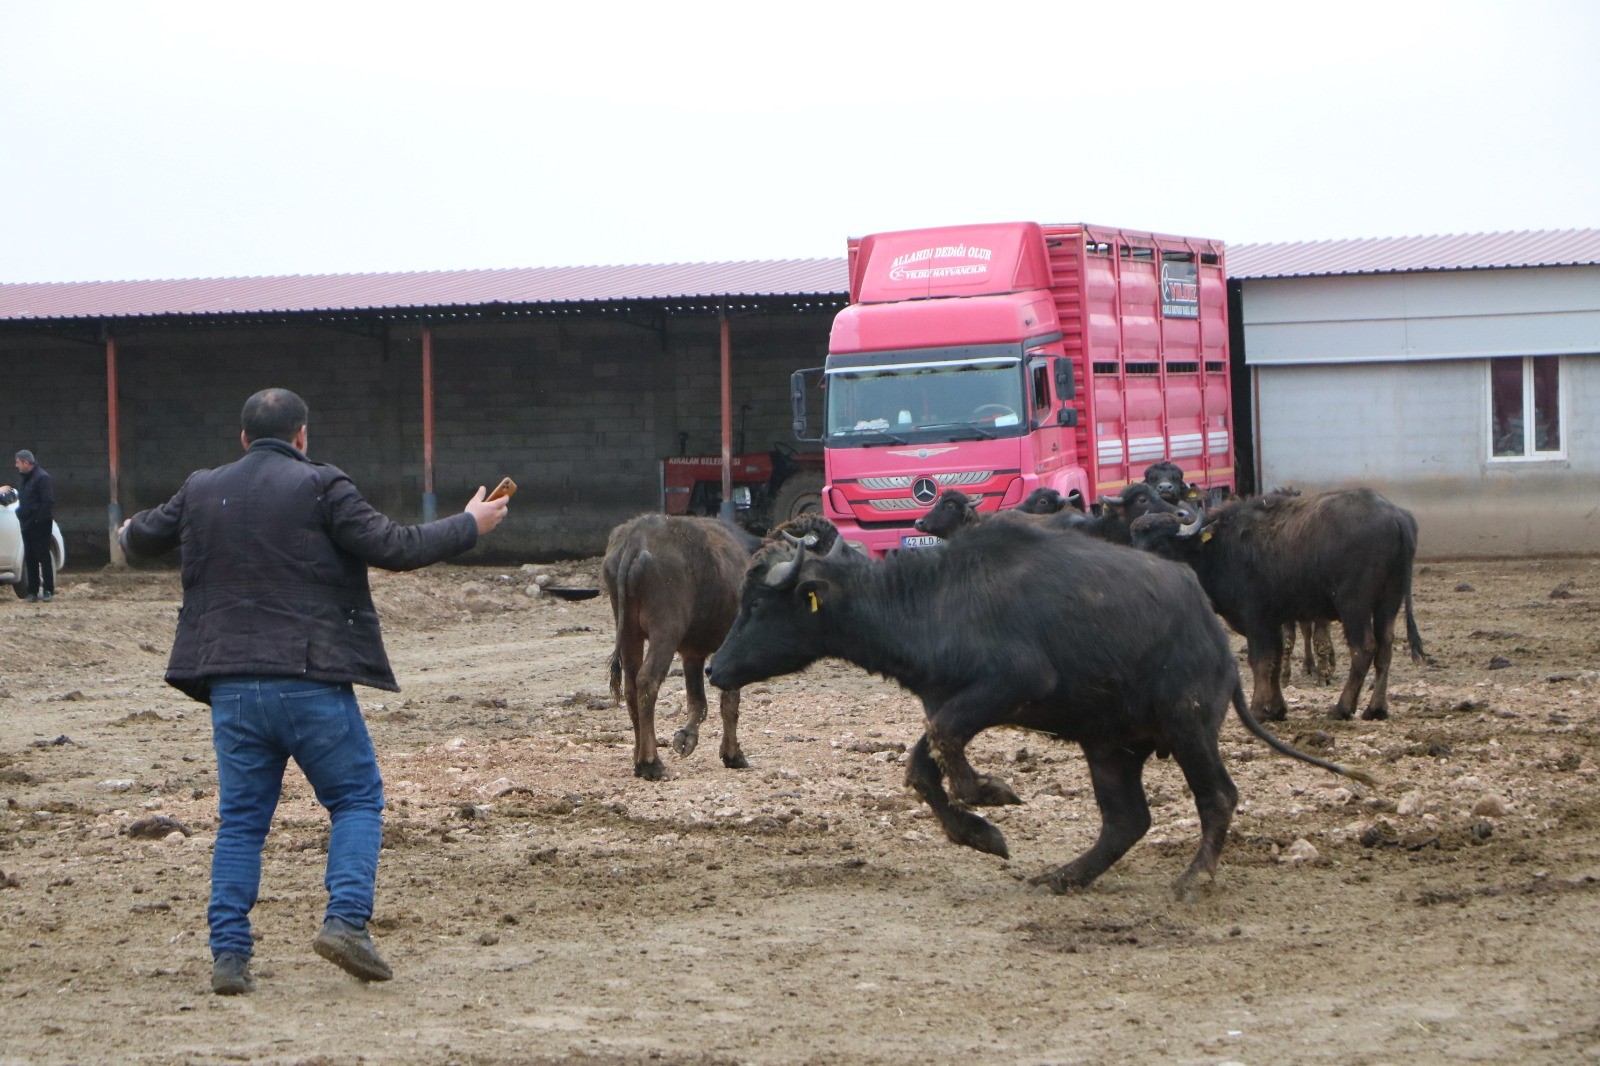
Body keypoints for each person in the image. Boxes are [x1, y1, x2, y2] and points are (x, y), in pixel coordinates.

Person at [118, 388, 509, 996]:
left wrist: (125, 530)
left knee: (242, 823)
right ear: (302, 435)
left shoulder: (201, 488)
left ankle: (229, 956)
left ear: (244, 438)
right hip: (309, 679)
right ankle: (346, 922)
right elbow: (395, 548)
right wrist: (470, 525)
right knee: (355, 799)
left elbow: (141, 538)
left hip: (231, 688)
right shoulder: (323, 485)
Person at [12, 450, 55, 602]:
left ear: (25, 462)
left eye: (18, 462)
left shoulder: (42, 478)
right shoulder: (25, 479)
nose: (16, 465)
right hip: (27, 524)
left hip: (40, 525)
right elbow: (24, 500)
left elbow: (48, 502)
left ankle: (48, 590)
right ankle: (33, 591)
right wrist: (20, 513)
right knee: (30, 558)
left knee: (43, 556)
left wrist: (38, 520)